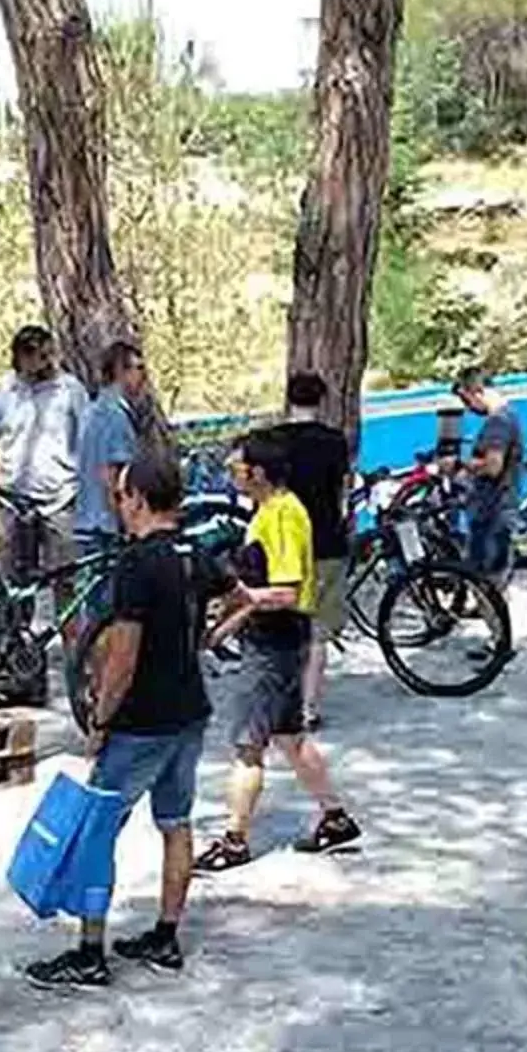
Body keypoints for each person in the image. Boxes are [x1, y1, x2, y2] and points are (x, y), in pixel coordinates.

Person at [29, 442, 211, 989]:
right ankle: (166, 935)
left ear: (136, 498)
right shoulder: (193, 555)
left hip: (141, 722)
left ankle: (89, 952)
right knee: (175, 824)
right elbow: (243, 597)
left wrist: (100, 721)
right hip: (190, 715)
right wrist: (202, 642)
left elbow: (123, 658)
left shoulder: (136, 564)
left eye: (121, 492)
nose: (117, 500)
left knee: (96, 834)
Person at [197, 435, 362, 870]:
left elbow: (286, 592)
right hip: (282, 640)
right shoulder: (269, 511)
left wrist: (233, 605)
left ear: (259, 473)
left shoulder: (284, 516)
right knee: (289, 736)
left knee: (248, 746)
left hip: (273, 641)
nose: (231, 474)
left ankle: (234, 840)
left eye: (236, 468)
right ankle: (335, 817)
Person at [260, 371, 354, 726]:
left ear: (289, 399)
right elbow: (341, 489)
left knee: (281, 625)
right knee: (317, 632)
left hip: (281, 544)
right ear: (321, 400)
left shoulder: (270, 442)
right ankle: (308, 708)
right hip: (326, 540)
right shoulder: (334, 442)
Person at [0, 323, 89, 583]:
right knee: (14, 580)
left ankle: (63, 624)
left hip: (60, 499)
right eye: (38, 356)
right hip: (13, 500)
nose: (46, 363)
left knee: (65, 577)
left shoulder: (70, 391)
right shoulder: (3, 393)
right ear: (21, 359)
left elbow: (86, 439)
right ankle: (16, 623)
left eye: (49, 354)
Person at [73, 339, 146, 564]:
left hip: (86, 521)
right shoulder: (115, 416)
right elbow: (112, 475)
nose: (143, 377)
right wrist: (128, 524)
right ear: (119, 371)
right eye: (138, 369)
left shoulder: (91, 412)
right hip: (106, 527)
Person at [458, 366, 525, 580]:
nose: (468, 408)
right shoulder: (511, 415)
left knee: (487, 583)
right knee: (494, 588)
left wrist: (463, 465)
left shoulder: (498, 422)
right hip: (501, 509)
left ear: (477, 392)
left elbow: (493, 466)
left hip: (492, 512)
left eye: (466, 400)